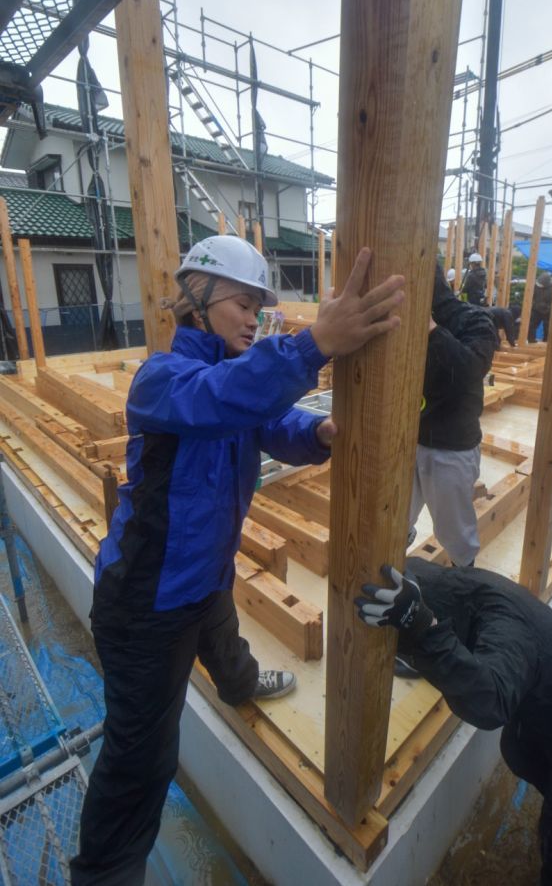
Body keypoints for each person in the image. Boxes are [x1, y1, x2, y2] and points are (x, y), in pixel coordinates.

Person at [70, 236, 405, 886]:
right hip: (146, 604)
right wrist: (312, 346)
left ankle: (240, 684)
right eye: (244, 304)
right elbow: (224, 399)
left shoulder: (234, 378)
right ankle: (103, 873)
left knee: (223, 640)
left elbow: (266, 421)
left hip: (202, 577)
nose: (255, 318)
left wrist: (315, 434)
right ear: (196, 299)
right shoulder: (164, 381)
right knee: (140, 761)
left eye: (260, 307)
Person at [356, 559, 552, 886]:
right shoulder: (456, 587)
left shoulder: (504, 627)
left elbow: (489, 703)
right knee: (517, 747)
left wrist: (426, 633)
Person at [407, 262, 497, 569]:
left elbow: (469, 370)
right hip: (407, 439)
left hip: (451, 446)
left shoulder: (474, 320)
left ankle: (465, 586)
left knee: (455, 533)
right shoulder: (400, 321)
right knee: (394, 520)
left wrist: (429, 328)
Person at [528, 271, 552, 343]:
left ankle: (546, 341)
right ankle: (531, 340)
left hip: (548, 310)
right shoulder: (536, 285)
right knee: (532, 324)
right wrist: (534, 305)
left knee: (547, 326)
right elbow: (532, 296)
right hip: (536, 309)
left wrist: (549, 308)